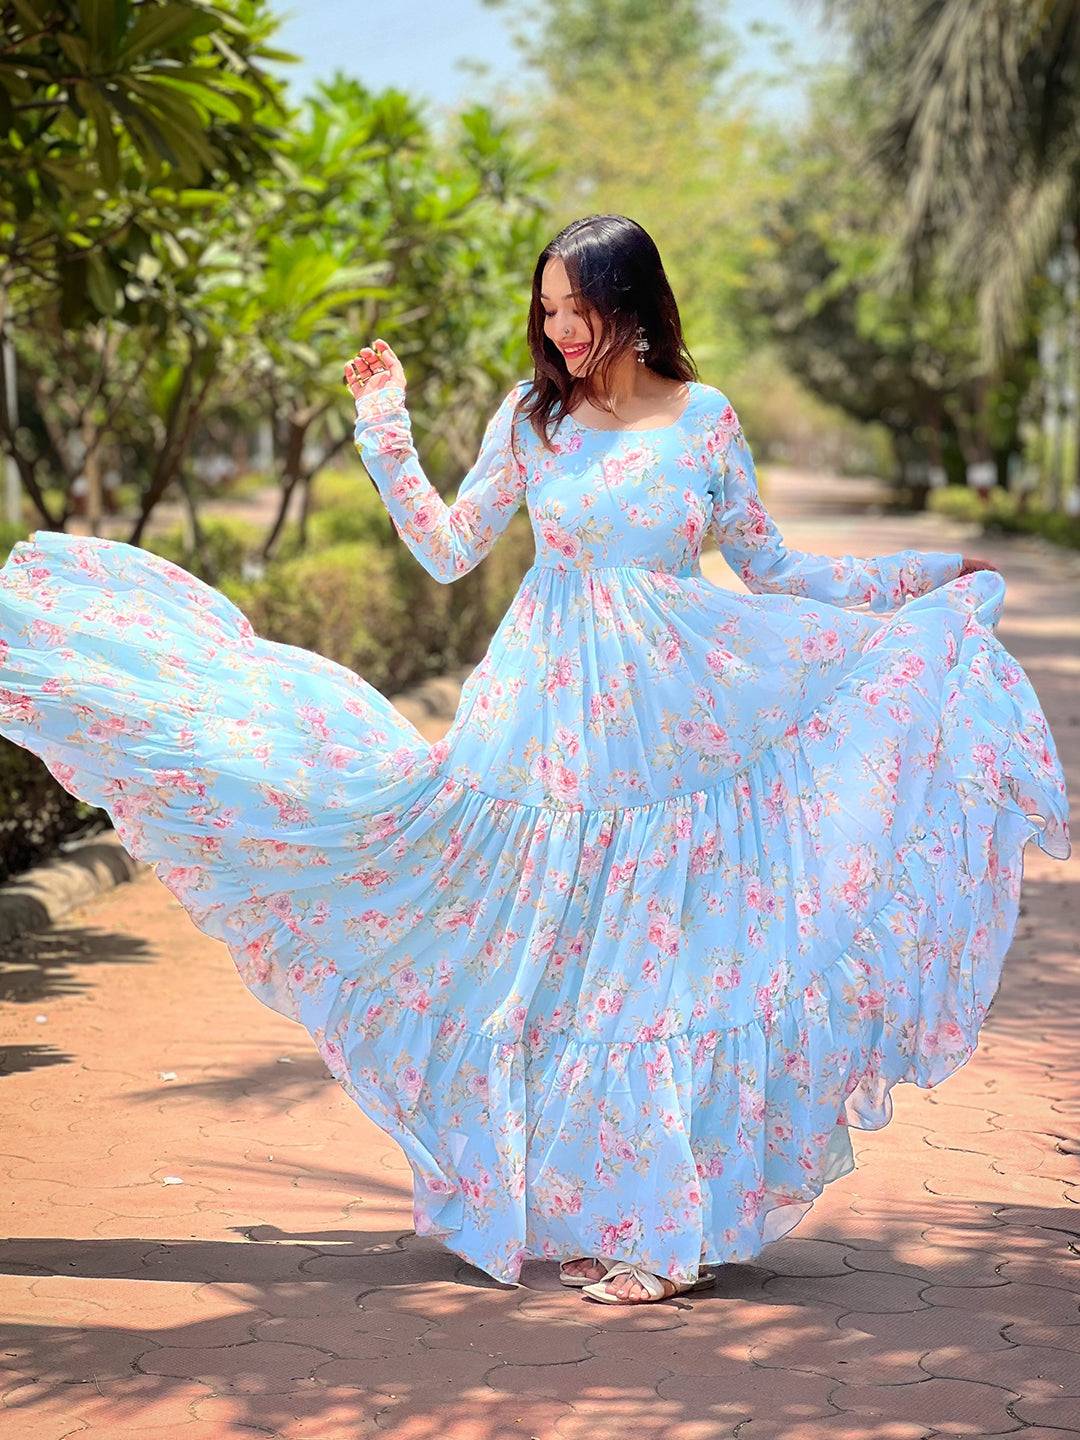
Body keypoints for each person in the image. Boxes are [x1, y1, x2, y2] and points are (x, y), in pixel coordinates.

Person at [0, 215, 1071, 1308]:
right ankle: (612, 1211)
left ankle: (660, 1231)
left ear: (635, 306)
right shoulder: (533, 418)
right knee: (546, 970)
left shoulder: (704, 419)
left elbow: (774, 570)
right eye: (547, 308)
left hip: (674, 740)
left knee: (660, 977)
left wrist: (920, 578)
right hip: (541, 737)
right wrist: (386, 428)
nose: (559, 329)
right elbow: (448, 549)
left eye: (578, 308)